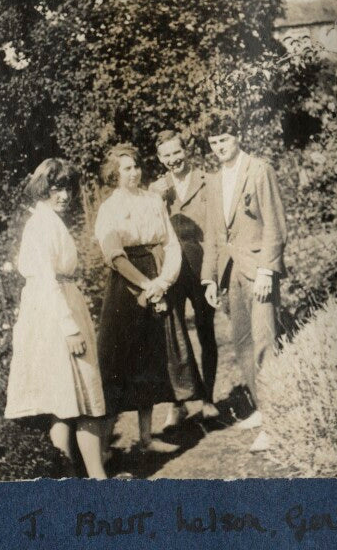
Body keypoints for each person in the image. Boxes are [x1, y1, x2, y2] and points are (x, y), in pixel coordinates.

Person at [94, 143, 204, 458]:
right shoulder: (109, 208)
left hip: (157, 277)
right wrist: (145, 284)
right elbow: (115, 256)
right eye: (126, 168)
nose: (134, 173)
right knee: (117, 363)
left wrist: (163, 282)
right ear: (114, 173)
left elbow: (171, 244)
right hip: (127, 287)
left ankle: (145, 439)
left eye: (136, 166)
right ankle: (102, 449)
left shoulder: (153, 200)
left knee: (152, 358)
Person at [5, 158, 107, 479]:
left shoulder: (50, 221)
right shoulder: (40, 225)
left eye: (67, 189)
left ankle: (84, 477)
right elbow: (47, 280)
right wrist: (69, 328)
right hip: (54, 313)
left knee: (69, 399)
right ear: (42, 189)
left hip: (61, 303)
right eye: (56, 189)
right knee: (77, 398)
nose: (64, 196)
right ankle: (80, 478)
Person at [200, 112, 287, 453]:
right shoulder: (213, 181)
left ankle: (277, 423)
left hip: (258, 270)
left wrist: (267, 271)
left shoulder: (259, 170)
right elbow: (212, 235)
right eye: (213, 142)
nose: (219, 147)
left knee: (265, 341)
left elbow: (275, 225)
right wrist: (209, 278)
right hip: (230, 273)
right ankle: (263, 409)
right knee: (243, 344)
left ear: (237, 136)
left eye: (224, 139)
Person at [150, 130, 218, 429]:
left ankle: (208, 399)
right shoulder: (155, 189)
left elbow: (216, 227)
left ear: (185, 150)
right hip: (172, 269)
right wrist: (156, 201)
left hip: (202, 265)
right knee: (174, 336)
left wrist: (213, 272)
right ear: (159, 158)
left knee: (206, 331)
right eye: (166, 155)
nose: (172, 159)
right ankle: (178, 404)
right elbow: (152, 230)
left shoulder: (207, 180)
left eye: (176, 152)